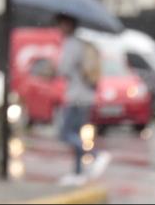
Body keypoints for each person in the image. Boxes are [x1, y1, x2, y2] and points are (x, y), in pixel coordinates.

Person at [55, 14, 111, 185]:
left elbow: (63, 69)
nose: (59, 28)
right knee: (76, 134)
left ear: (68, 25)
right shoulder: (82, 44)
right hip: (87, 96)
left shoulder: (71, 44)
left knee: (64, 134)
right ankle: (78, 173)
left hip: (76, 97)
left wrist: (53, 69)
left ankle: (95, 155)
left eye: (61, 25)